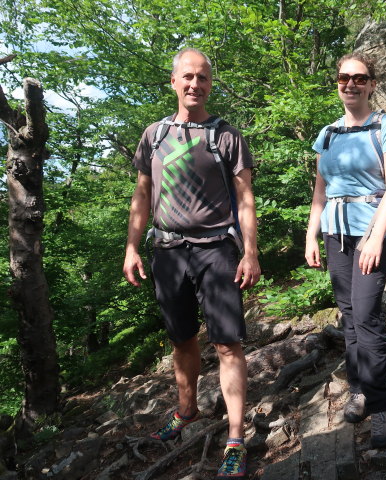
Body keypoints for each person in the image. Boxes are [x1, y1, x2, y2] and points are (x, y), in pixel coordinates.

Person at [123, 47, 260, 479]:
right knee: (181, 339)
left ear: (210, 85)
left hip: (217, 248)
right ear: (173, 82)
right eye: (187, 76)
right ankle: (186, 410)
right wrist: (131, 247)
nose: (194, 84)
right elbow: (142, 196)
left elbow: (245, 199)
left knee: (227, 343)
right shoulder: (154, 136)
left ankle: (236, 438)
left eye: (202, 78)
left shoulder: (226, 136)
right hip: (166, 251)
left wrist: (252, 252)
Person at [305, 52, 386, 448]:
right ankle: (359, 389)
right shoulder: (327, 134)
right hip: (335, 233)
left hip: (371, 233)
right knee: (348, 316)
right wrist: (311, 235)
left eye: (359, 78)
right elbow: (320, 190)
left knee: (366, 318)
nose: (351, 84)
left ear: (372, 84)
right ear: (337, 83)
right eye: (344, 78)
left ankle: (382, 405)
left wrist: (377, 237)